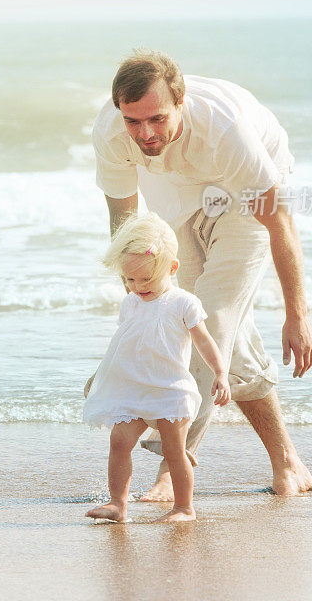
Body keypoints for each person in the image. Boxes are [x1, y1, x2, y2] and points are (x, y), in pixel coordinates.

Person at [92, 50, 312, 498]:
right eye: (133, 121)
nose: (145, 133)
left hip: (245, 200)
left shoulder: (223, 130)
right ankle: (287, 460)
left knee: (210, 318)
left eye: (156, 118)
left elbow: (279, 221)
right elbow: (123, 214)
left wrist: (297, 314)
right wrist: (136, 284)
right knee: (205, 331)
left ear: (181, 102)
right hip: (180, 195)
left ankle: (172, 465)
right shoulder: (113, 131)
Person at [84, 212, 231, 523]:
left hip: (170, 390)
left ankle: (184, 508)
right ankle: (117, 504)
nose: (138, 286)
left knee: (173, 450)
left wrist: (220, 373)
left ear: (172, 268)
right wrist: (100, 376)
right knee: (119, 442)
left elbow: (204, 341)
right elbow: (121, 345)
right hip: (135, 389)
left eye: (146, 278)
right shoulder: (131, 304)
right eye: (130, 279)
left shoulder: (183, 303)